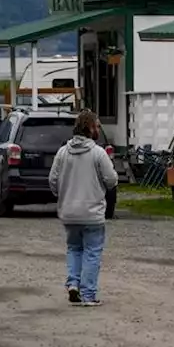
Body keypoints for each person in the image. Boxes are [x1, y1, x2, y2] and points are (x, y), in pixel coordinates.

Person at [48, 109, 118, 307]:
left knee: (74, 248)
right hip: (92, 212)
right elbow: (112, 179)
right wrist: (103, 188)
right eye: (97, 126)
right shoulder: (98, 153)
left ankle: (73, 284)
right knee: (92, 251)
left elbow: (53, 179)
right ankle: (88, 294)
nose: (98, 129)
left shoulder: (62, 152)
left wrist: (62, 194)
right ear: (89, 127)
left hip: (69, 212)